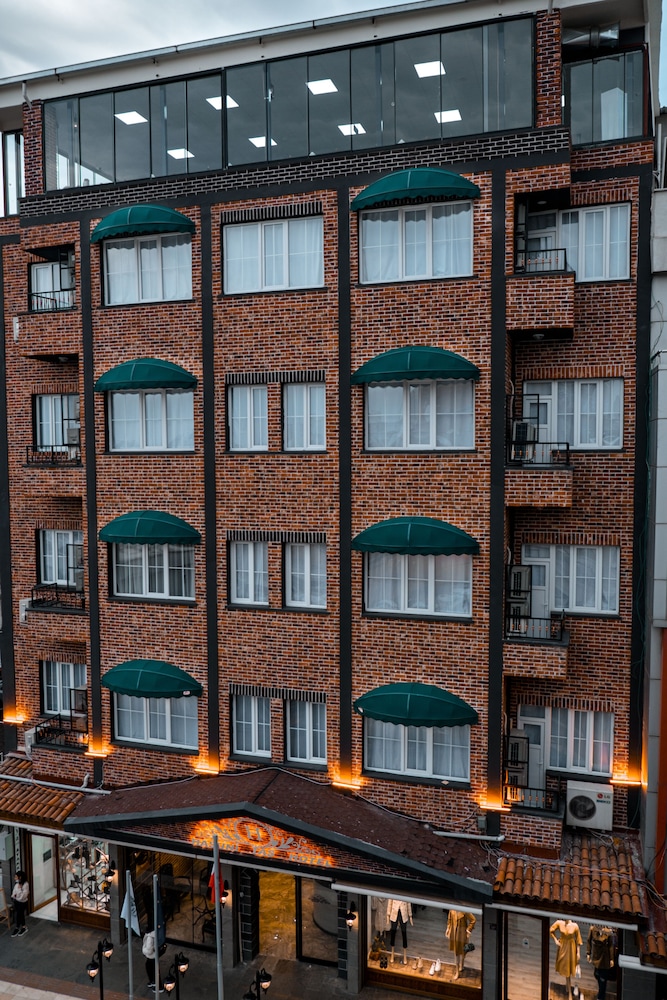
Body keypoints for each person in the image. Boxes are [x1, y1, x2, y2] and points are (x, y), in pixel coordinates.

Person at [11, 871, 29, 937]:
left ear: (20, 877)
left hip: (22, 903)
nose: (14, 878)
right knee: (19, 914)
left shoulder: (25, 884)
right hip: (17, 902)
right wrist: (15, 896)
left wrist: (19, 891)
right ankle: (19, 927)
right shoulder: (17, 884)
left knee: (20, 914)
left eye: (16, 877)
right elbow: (13, 893)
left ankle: (22, 927)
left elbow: (23, 896)